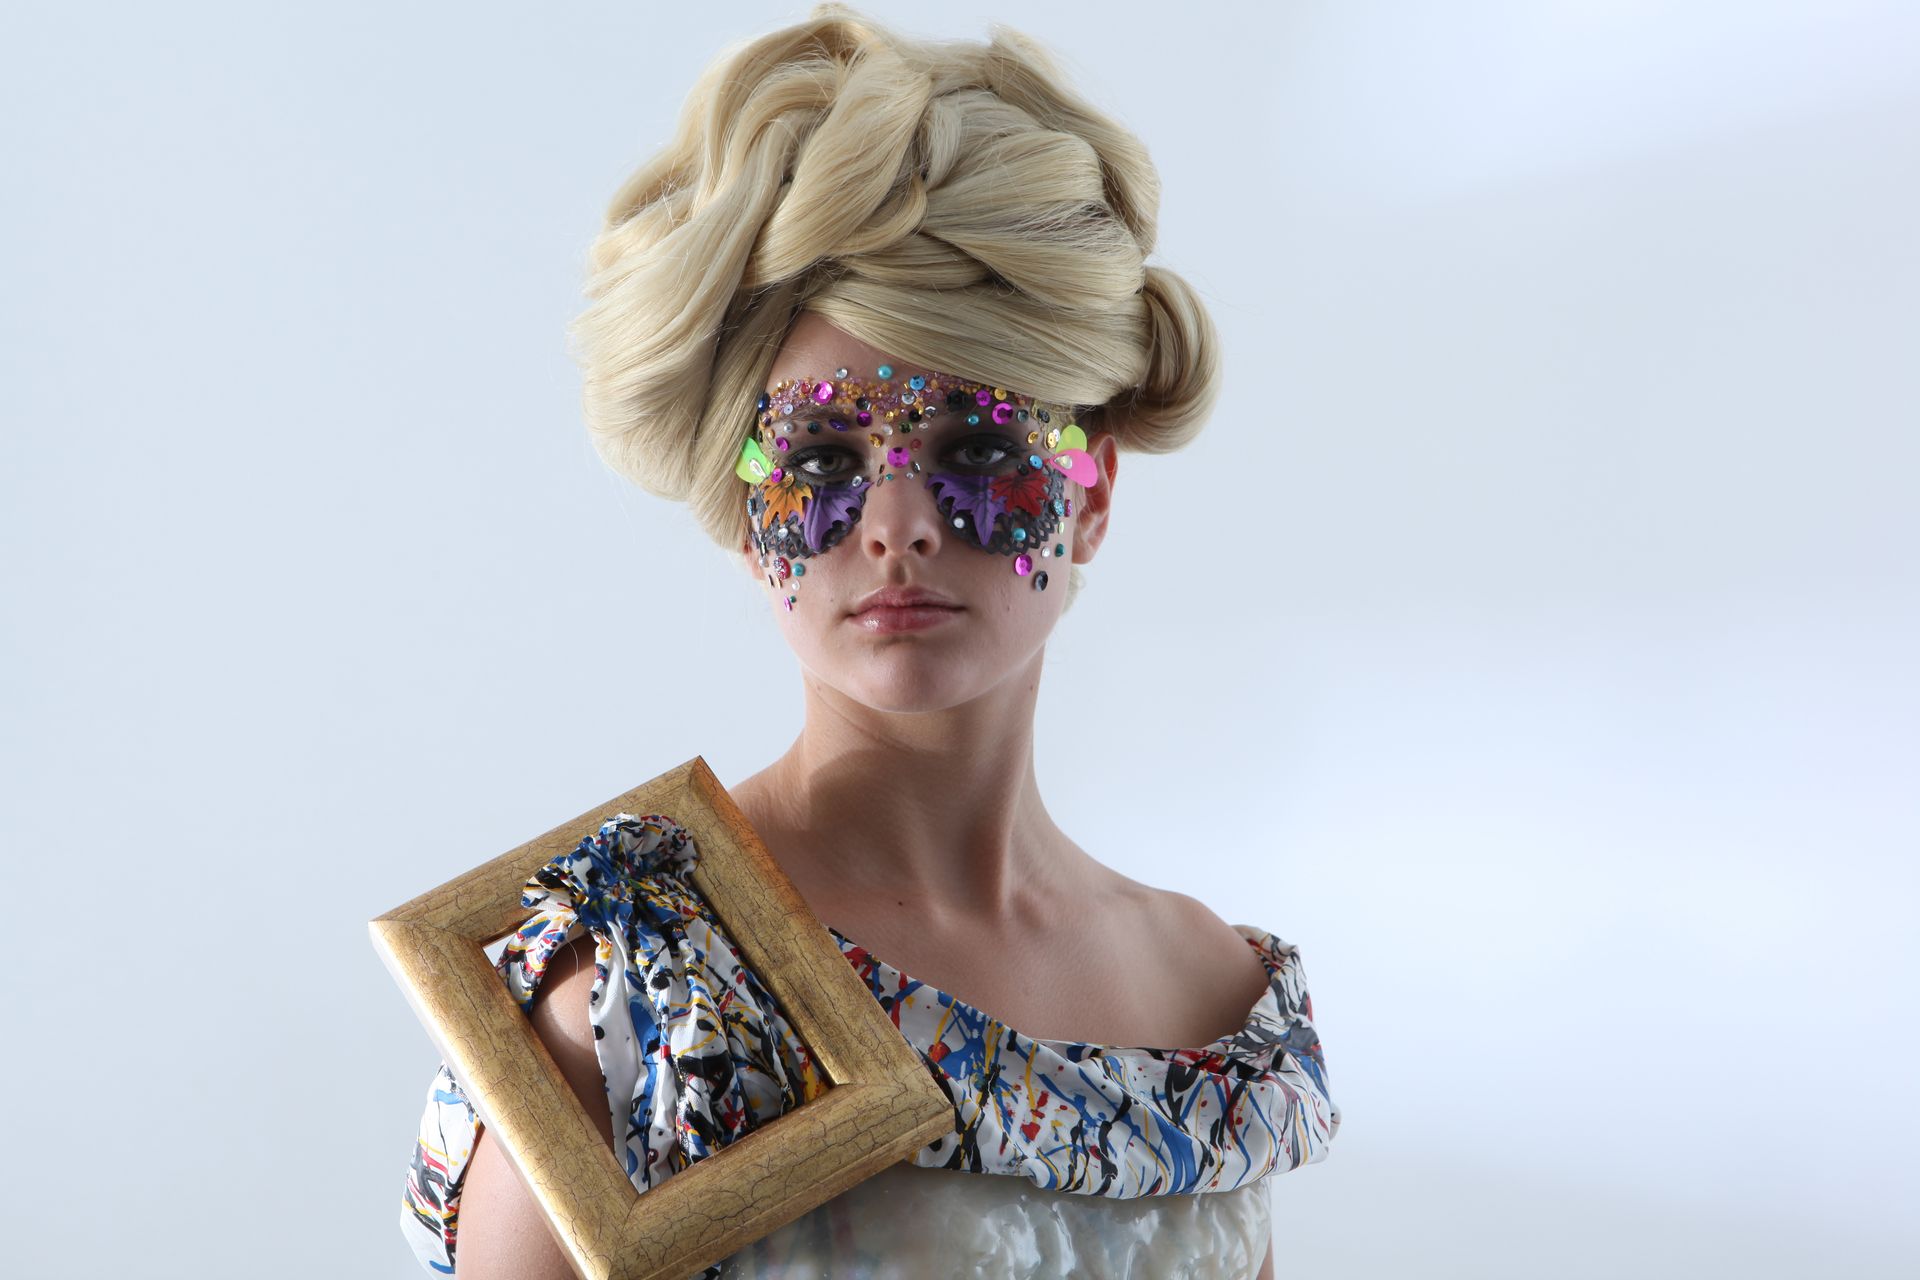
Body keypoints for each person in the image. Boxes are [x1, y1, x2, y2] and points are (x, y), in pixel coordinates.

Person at [398, 6, 1339, 1277]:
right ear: (747, 517)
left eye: (979, 448)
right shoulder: (634, 989)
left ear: (1091, 493)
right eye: (823, 461)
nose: (898, 524)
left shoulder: (1205, 994)